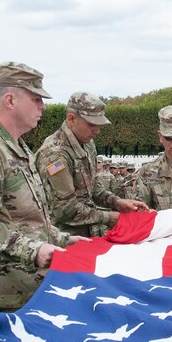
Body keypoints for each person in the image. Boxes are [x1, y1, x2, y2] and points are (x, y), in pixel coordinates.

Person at [0, 62, 85, 311]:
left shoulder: (19, 149)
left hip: (20, 292)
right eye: (36, 99)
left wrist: (64, 239)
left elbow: (27, 219)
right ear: (10, 100)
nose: (43, 106)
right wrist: (34, 251)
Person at [35, 92, 148, 237]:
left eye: (99, 125)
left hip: (86, 233)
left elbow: (90, 184)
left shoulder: (87, 144)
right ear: (71, 119)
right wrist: (110, 217)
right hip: (61, 238)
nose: (97, 131)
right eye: (92, 124)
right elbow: (65, 210)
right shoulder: (55, 155)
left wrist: (116, 202)